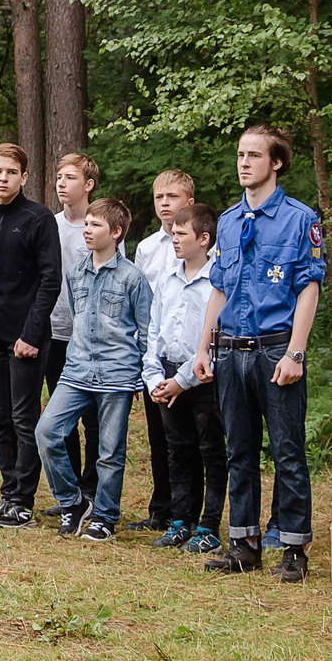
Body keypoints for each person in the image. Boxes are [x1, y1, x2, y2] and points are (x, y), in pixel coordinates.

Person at [193, 126, 325, 582]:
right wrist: (203, 347)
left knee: (288, 451)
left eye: (254, 155)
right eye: (240, 155)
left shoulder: (299, 219)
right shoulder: (228, 221)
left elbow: (308, 288)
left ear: (277, 163)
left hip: (274, 352)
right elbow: (219, 289)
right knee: (239, 451)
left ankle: (293, 549)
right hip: (231, 351)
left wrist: (296, 353)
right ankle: (244, 544)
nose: (244, 162)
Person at [33, 197, 151, 541]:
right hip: (78, 370)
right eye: (85, 224)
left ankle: (105, 516)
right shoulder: (75, 272)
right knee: (47, 432)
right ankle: (73, 502)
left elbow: (146, 330)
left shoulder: (133, 278)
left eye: (95, 225)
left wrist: (141, 374)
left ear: (115, 232)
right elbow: (76, 317)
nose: (87, 230)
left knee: (110, 451)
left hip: (117, 374)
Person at [0, 145, 62, 518]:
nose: (4, 178)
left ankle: (24, 500)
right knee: (0, 417)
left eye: (11, 172)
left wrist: (30, 335)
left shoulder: (39, 219)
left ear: (24, 177)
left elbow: (50, 281)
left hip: (26, 338)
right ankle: (9, 490)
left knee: (25, 418)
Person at [142, 208, 228, 554]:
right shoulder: (166, 278)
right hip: (165, 373)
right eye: (173, 234)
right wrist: (153, 377)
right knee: (177, 449)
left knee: (210, 451)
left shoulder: (216, 282)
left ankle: (209, 525)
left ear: (204, 239)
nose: (174, 240)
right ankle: (181, 520)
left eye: (181, 235)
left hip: (202, 378)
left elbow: (215, 338)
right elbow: (153, 331)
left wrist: (182, 380)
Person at [131, 170, 200, 531]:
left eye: (172, 197)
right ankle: (161, 509)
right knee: (160, 437)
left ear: (189, 201)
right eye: (159, 197)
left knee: (193, 440)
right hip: (155, 354)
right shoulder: (146, 248)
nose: (164, 204)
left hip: (192, 356)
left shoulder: (205, 247)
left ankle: (190, 512)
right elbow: (144, 303)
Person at [44, 152, 101, 508]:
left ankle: (93, 489)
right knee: (60, 417)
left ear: (89, 184)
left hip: (91, 338)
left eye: (70, 178)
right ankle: (71, 492)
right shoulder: (49, 225)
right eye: (59, 177)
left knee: (93, 418)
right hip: (53, 332)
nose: (62, 184)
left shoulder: (101, 225)